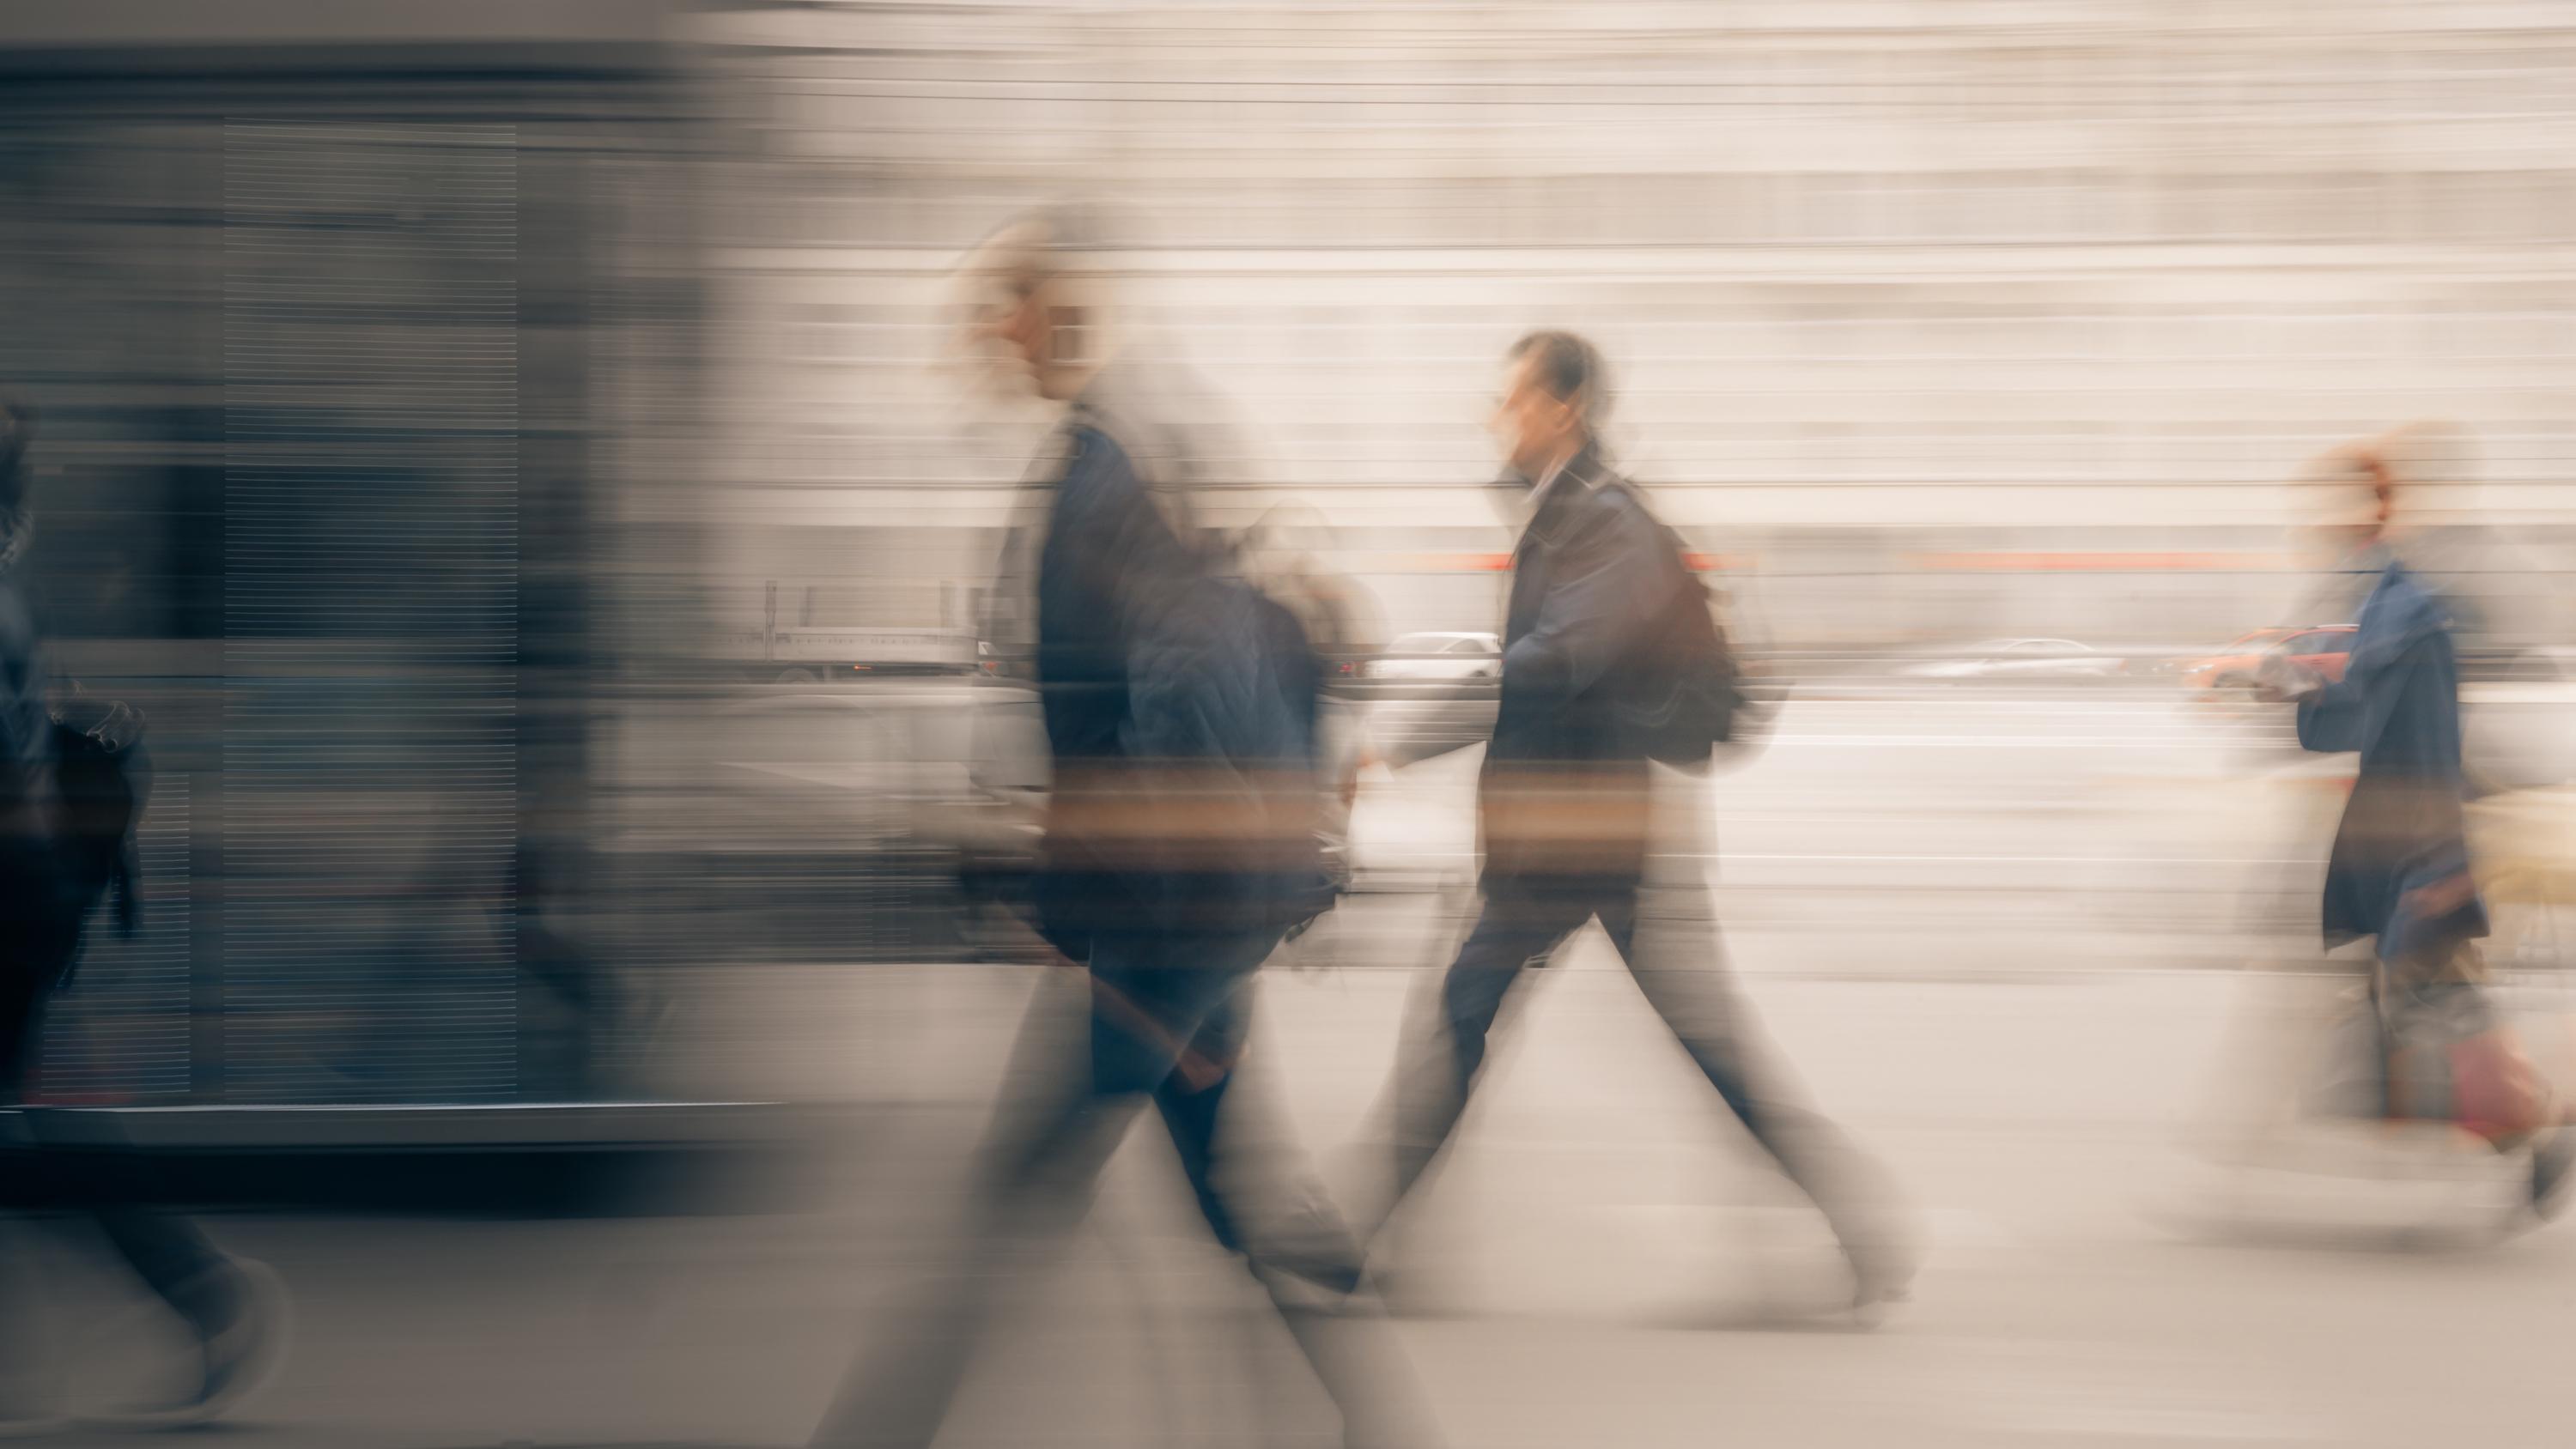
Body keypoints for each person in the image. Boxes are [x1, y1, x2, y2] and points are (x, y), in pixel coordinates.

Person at [807, 210, 1443, 1449]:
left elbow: (1167, 720)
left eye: (1003, 308)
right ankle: (1384, 1425)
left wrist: (1103, 917)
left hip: (1167, 914)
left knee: (1020, 1187)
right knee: (1230, 1188)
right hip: (1185, 910)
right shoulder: (1135, 451)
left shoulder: (1109, 477)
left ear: (1056, 314)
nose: (985, 336)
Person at [1364, 331, 1919, 1315]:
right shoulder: (1569, 513)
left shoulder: (1605, 520)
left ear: (1563, 408)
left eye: (1516, 400)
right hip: (1574, 832)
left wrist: (1407, 738)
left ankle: (1360, 1239)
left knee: (1475, 1016)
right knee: (1624, 1031)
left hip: (1587, 835)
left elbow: (1555, 659)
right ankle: (1859, 1227)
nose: (1501, 417)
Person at [0, 396, 289, 1429]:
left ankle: (206, 1302)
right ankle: (203, 1301)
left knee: (54, 1118)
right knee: (52, 1115)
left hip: (9, 895)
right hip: (22, 895)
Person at [2261, 433, 2576, 1213]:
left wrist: (2442, 863)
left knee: (2428, 991)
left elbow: (2396, 716)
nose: (2323, 521)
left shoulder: (2414, 597)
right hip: (2399, 828)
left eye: (2343, 503)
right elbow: (2355, 706)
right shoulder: (2388, 588)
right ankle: (2518, 1128)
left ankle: (2530, 1126)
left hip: (2423, 829)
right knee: (2418, 991)